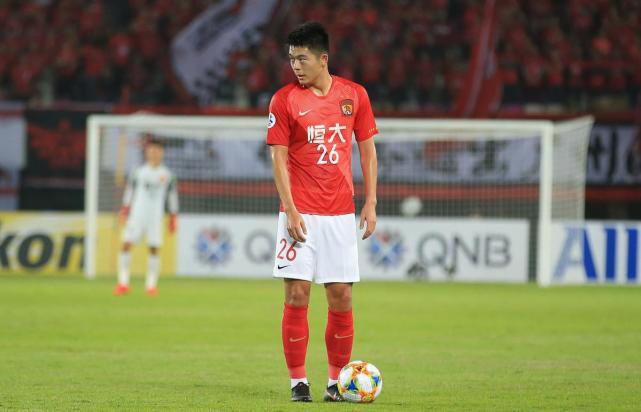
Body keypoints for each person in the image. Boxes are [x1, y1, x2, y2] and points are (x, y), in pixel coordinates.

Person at [266, 21, 378, 402]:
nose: (295, 66)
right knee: (297, 294)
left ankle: (336, 383)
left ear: (323, 59)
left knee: (341, 296)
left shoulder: (354, 96)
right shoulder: (283, 100)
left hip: (340, 215)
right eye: (291, 59)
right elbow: (278, 159)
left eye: (302, 59)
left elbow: (367, 150)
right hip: (298, 214)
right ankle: (298, 382)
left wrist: (371, 201)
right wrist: (290, 209)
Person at [113, 138, 178, 296]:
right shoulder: (138, 172)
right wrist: (125, 209)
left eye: (157, 150)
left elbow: (172, 196)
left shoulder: (168, 175)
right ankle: (123, 283)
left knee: (154, 248)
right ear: (147, 153)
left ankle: (151, 285)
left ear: (162, 153)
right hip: (137, 216)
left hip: (155, 217)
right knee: (126, 244)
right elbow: (130, 191)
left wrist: (173, 216)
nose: (154, 153)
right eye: (151, 150)